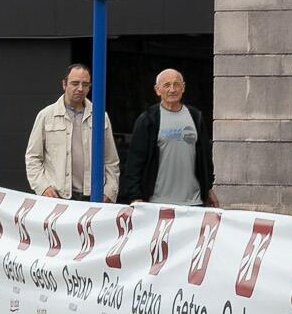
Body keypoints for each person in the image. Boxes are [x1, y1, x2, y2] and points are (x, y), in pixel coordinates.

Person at [121, 69, 218, 207]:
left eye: (176, 84)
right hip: (157, 203)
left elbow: (205, 157)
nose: (172, 89)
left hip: (194, 202)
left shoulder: (196, 117)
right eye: (166, 85)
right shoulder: (148, 120)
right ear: (157, 90)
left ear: (183, 88)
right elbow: (135, 162)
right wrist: (135, 196)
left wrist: (208, 189)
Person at [24, 63, 117, 202]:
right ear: (64, 84)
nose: (80, 88)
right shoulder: (46, 116)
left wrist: (110, 191)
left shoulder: (100, 116)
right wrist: (43, 187)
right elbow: (33, 157)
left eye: (85, 84)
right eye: (75, 83)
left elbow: (111, 160)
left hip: (93, 197)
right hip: (57, 197)